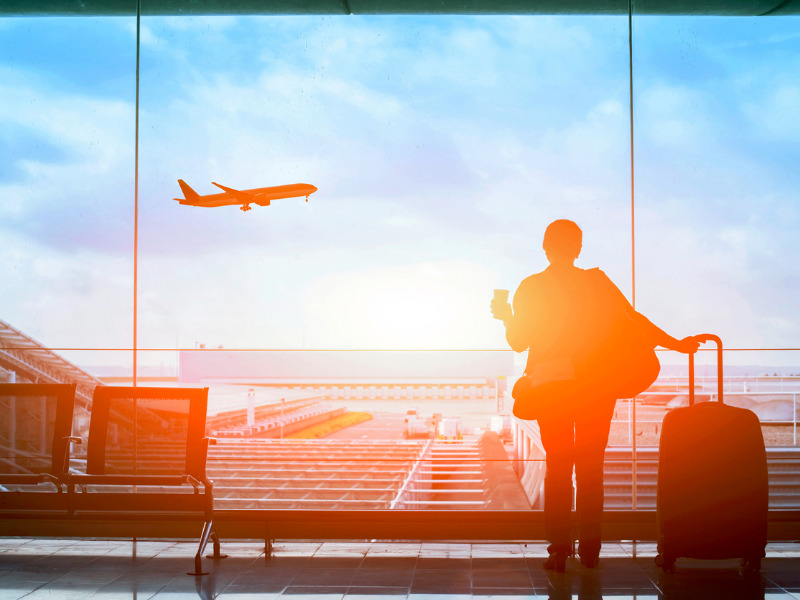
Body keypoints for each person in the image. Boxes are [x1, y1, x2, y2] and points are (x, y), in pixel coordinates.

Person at [491, 219, 698, 571]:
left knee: (558, 469)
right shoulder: (597, 283)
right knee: (590, 470)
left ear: (545, 246)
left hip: (551, 389)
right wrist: (676, 344)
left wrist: (505, 315)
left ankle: (558, 550)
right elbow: (634, 320)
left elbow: (518, 341)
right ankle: (590, 549)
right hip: (595, 389)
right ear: (578, 248)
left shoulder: (532, 286)